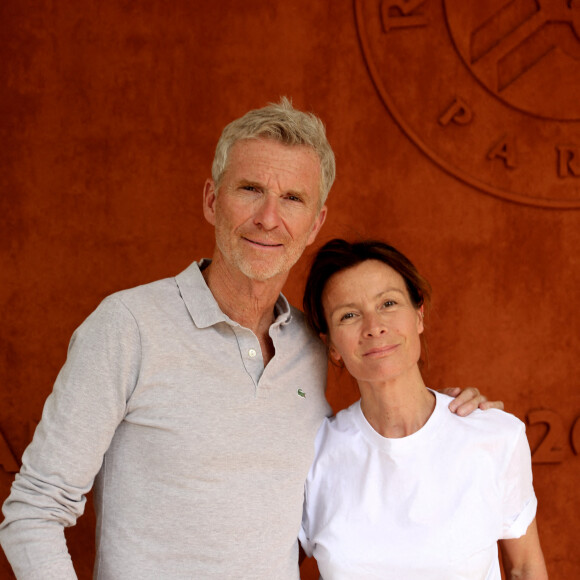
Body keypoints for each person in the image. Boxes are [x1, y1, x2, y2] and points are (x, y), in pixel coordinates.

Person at [0, 99, 499, 580]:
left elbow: (366, 455)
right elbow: (34, 510)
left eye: (292, 199)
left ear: (314, 224)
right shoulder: (128, 326)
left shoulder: (311, 343)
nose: (267, 217)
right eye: (249, 189)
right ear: (212, 201)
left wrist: (447, 421)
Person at [300, 238, 548, 580]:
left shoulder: (495, 436)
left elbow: (525, 569)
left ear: (419, 316)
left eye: (388, 303)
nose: (374, 326)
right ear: (331, 346)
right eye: (349, 315)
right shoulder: (311, 455)